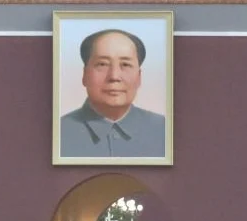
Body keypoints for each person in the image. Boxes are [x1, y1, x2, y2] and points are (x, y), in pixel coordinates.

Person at [59, 28, 167, 159]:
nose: (114, 76)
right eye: (102, 64)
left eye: (125, 65)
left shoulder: (166, 130)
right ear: (85, 75)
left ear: (139, 77)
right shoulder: (57, 132)